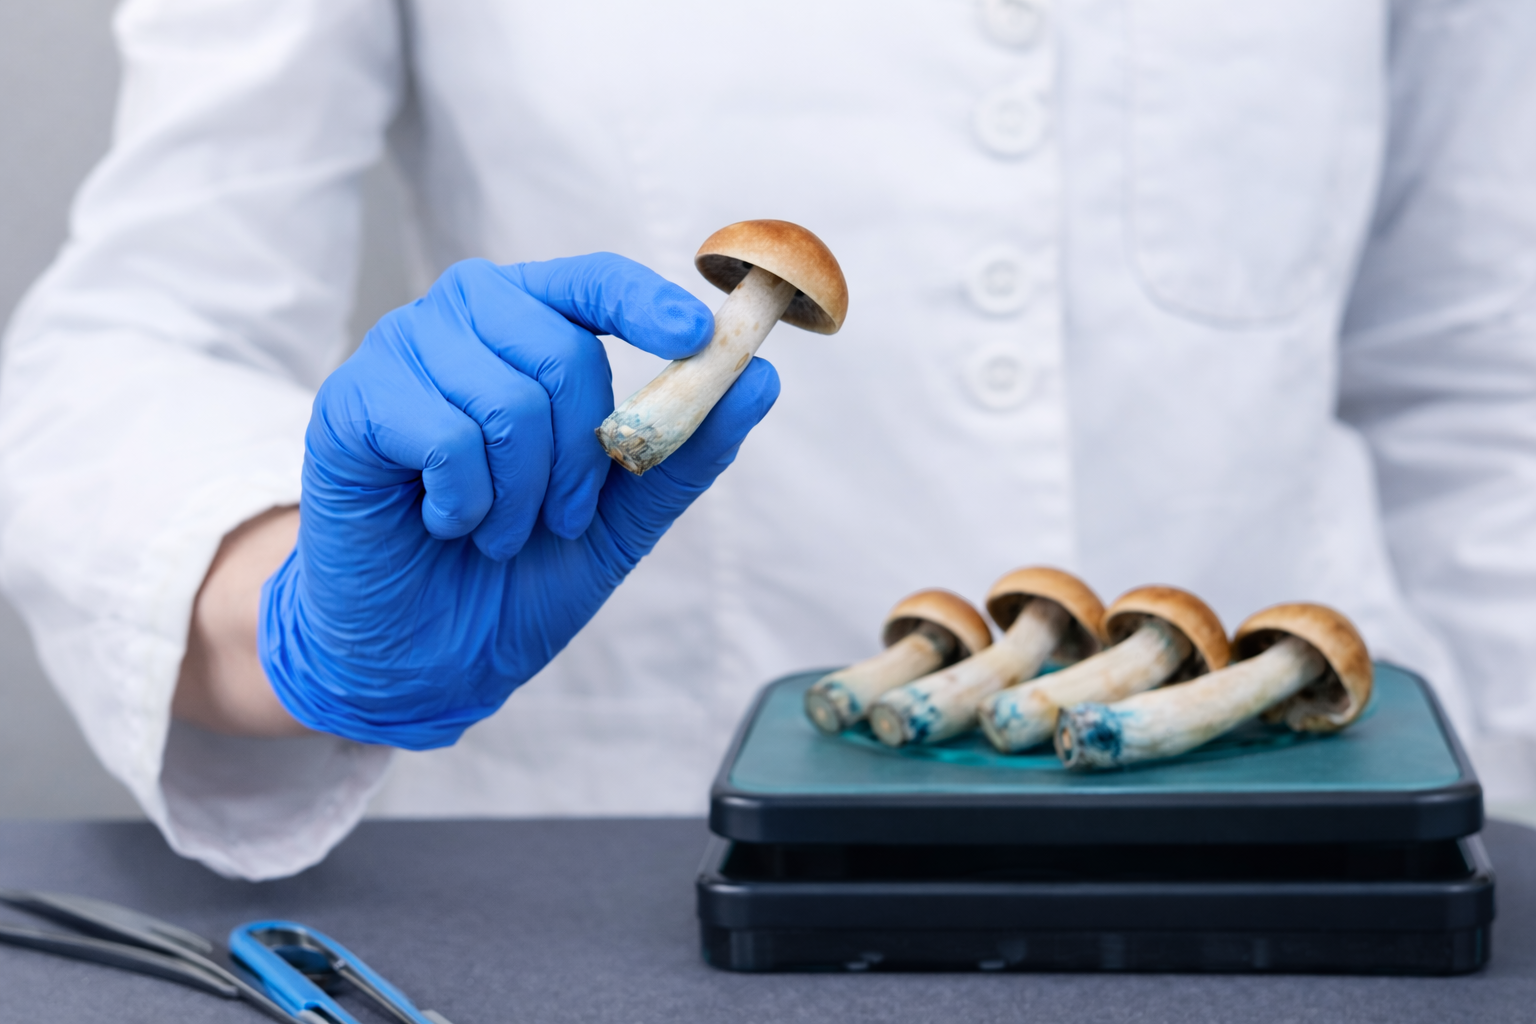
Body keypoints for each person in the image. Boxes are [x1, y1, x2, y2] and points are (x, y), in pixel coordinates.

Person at [2, 0, 1533, 881]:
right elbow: (147, 325)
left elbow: (1483, 378)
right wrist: (292, 613)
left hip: (1306, 869)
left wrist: (1500, 840)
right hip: (613, 888)